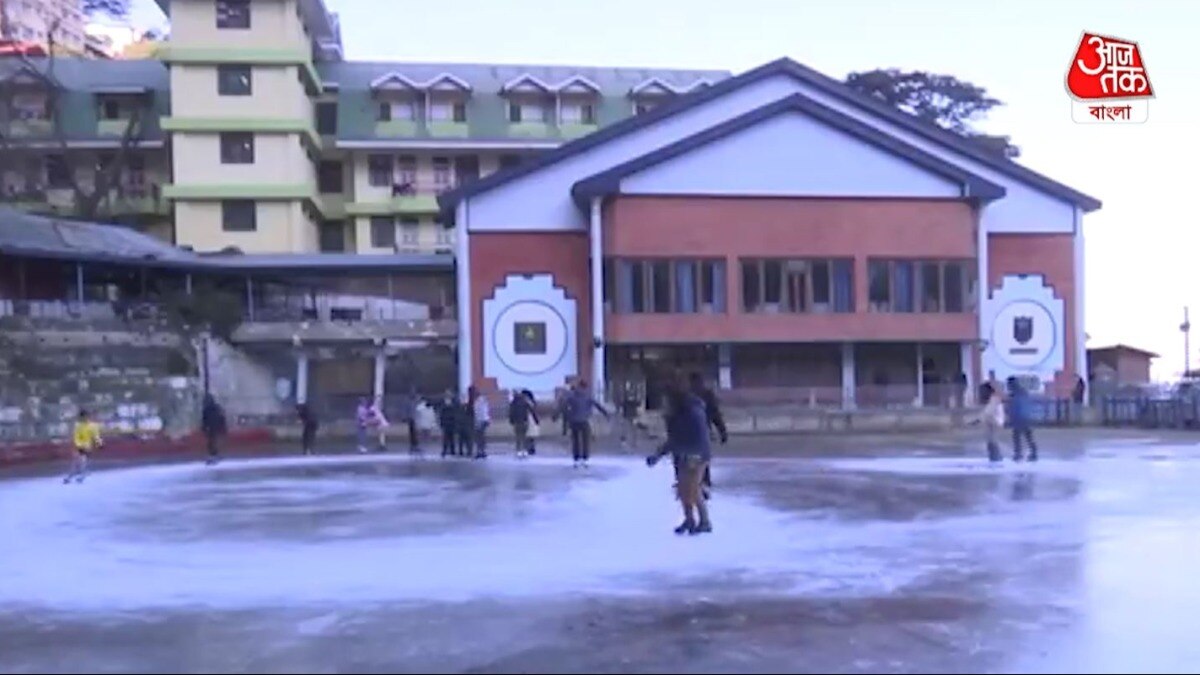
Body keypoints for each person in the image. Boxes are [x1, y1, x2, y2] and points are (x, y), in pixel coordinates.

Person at [646, 377, 713, 535]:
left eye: (665, 399)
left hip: (695, 454)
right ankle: (689, 519)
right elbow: (675, 438)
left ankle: (704, 521)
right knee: (683, 488)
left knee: (692, 488)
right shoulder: (680, 411)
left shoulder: (689, 412)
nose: (663, 403)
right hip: (684, 453)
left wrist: (658, 455)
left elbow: (684, 437)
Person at [558, 379, 610, 468]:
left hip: (574, 421)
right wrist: (606, 414)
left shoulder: (572, 396)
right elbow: (597, 405)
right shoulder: (587, 396)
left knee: (575, 440)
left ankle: (576, 458)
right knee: (586, 440)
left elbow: (563, 406)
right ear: (585, 387)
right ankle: (585, 458)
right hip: (584, 421)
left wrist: (555, 415)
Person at [689, 373, 724, 496]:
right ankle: (704, 481)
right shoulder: (706, 394)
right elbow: (715, 413)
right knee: (703, 457)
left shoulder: (687, 395)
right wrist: (722, 430)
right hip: (703, 430)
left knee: (688, 457)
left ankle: (693, 481)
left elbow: (715, 413)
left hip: (690, 431)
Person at [64, 409, 102, 484]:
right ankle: (72, 476)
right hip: (79, 446)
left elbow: (96, 436)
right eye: (82, 417)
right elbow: (76, 436)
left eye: (85, 416)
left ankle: (79, 476)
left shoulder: (92, 426)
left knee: (82, 461)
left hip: (87, 446)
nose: (84, 418)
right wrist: (76, 444)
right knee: (76, 462)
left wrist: (99, 444)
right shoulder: (78, 426)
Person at [1007, 376, 1039, 462]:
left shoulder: (1015, 394)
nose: (1008, 387)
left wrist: (1011, 417)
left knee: (1017, 436)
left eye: (1008, 385)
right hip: (1026, 416)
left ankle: (1019, 454)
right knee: (1027, 435)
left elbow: (1015, 406)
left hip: (1019, 417)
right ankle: (1033, 453)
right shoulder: (1023, 392)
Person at [977, 380, 1005, 462]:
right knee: (990, 439)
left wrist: (979, 420)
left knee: (992, 440)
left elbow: (988, 412)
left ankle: (996, 456)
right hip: (994, 421)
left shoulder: (994, 399)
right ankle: (994, 456)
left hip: (995, 421)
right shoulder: (993, 398)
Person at [508, 389, 539, 458]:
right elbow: (532, 410)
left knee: (518, 437)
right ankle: (524, 450)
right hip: (525, 421)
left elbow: (511, 413)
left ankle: (519, 450)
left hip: (517, 422)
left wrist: (511, 421)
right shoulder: (524, 402)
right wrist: (536, 419)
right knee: (524, 437)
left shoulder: (513, 403)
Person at [201, 393, 227, 465]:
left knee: (212, 442)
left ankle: (214, 456)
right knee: (212, 442)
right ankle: (214, 456)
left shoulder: (208, 409)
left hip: (213, 427)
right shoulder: (215, 408)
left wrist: (204, 428)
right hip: (214, 427)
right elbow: (221, 417)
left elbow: (205, 420)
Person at [618, 384, 642, 449]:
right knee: (627, 429)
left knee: (633, 430)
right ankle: (626, 442)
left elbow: (638, 404)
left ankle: (633, 442)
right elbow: (622, 406)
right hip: (628, 415)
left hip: (631, 416)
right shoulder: (626, 400)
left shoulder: (631, 400)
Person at [472, 386, 491, 459]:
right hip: (482, 420)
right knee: (480, 436)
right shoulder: (481, 401)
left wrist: (478, 422)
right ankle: (481, 451)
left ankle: (481, 451)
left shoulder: (479, 401)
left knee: (479, 437)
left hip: (481, 421)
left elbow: (481, 412)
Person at [438, 391, 459, 458]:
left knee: (451, 438)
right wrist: (441, 422)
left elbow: (456, 413)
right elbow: (441, 414)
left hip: (452, 423)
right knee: (446, 438)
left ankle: (452, 451)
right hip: (446, 423)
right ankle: (445, 451)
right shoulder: (443, 403)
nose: (448, 396)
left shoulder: (454, 403)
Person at [456, 390, 476, 457]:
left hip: (468, 426)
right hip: (461, 426)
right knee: (461, 440)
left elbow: (472, 417)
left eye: (464, 398)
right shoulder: (459, 408)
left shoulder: (470, 407)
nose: (463, 400)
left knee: (469, 440)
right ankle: (460, 452)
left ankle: (469, 452)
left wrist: (471, 425)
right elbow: (457, 417)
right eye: (462, 398)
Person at [521, 388, 539, 456]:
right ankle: (530, 448)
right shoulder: (530, 402)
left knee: (530, 435)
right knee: (529, 435)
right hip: (530, 419)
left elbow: (533, 411)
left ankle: (530, 448)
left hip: (530, 419)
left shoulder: (528, 402)